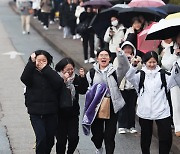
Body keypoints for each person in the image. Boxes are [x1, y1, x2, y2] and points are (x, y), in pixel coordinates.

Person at [125, 51, 180, 154]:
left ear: (157, 62)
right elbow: (129, 77)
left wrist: (176, 57)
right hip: (145, 111)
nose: (151, 64)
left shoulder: (164, 75)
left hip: (162, 111)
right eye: (149, 62)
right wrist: (133, 66)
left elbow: (175, 76)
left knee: (166, 138)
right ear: (145, 62)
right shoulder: (140, 75)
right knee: (146, 138)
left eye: (154, 62)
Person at [85, 48, 129, 154]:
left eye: (106, 55)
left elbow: (125, 66)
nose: (103, 57)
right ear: (97, 58)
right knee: (97, 135)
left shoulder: (115, 72)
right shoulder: (91, 73)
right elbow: (87, 89)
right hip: (96, 106)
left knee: (109, 136)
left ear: (110, 58)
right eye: (101, 55)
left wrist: (121, 54)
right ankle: (99, 147)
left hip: (112, 106)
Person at [20, 50, 63, 154]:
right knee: (41, 137)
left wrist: (46, 69)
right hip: (35, 113)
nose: (41, 63)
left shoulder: (51, 73)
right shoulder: (31, 74)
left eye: (44, 60)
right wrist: (31, 61)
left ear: (48, 62)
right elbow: (24, 78)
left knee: (50, 140)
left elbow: (59, 82)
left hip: (51, 112)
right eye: (38, 60)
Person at [55, 57, 88, 154]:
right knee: (61, 140)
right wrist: (63, 81)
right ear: (62, 69)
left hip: (73, 114)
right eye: (67, 69)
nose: (70, 71)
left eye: (71, 69)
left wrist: (82, 78)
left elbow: (82, 90)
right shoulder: (56, 78)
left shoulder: (76, 78)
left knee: (74, 138)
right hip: (59, 114)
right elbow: (54, 92)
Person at [113, 41, 142, 134]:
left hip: (133, 88)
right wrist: (124, 61)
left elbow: (140, 69)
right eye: (125, 48)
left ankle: (131, 126)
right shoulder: (117, 59)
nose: (127, 50)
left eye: (129, 48)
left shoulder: (137, 58)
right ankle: (121, 125)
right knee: (123, 107)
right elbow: (117, 70)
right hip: (122, 87)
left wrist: (133, 62)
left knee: (131, 108)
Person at [161, 32, 180, 137]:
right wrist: (175, 55)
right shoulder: (170, 49)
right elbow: (165, 64)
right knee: (176, 102)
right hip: (175, 78)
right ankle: (178, 127)